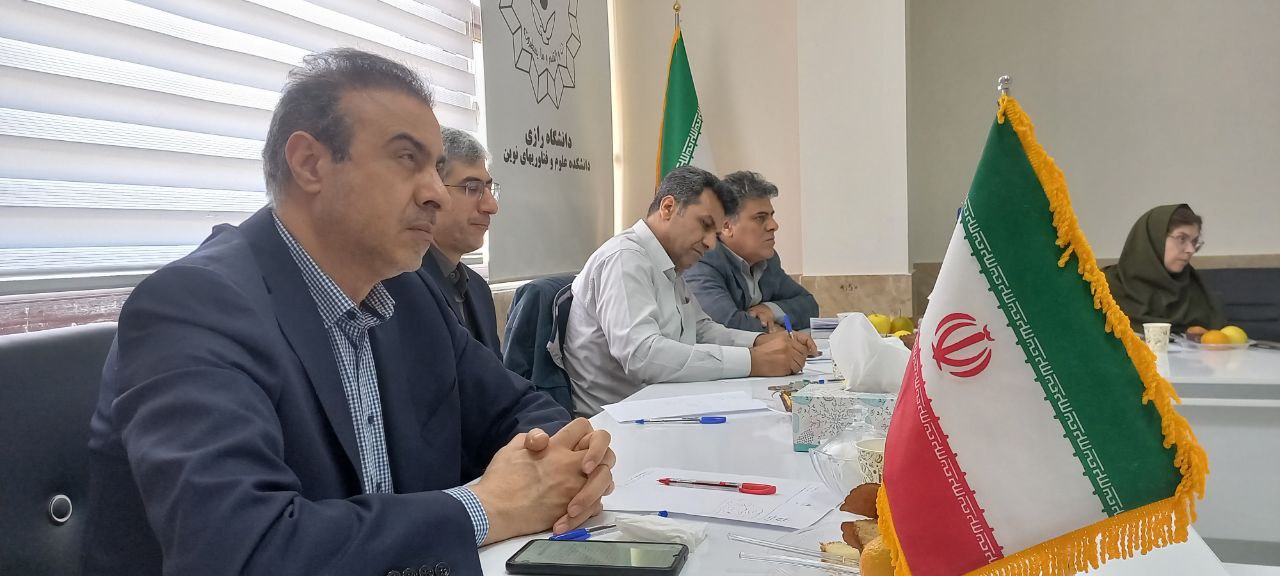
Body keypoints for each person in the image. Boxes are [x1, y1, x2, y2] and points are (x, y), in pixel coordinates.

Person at [82, 49, 614, 575]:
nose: (436, 194)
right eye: (406, 159)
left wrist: (572, 459)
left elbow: (518, 407)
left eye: (435, 168)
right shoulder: (194, 306)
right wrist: (485, 508)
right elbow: (240, 552)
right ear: (310, 163)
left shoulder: (409, 294)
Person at [563, 166, 816, 416]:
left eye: (715, 233)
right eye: (705, 225)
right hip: (617, 423)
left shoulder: (668, 264)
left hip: (660, 408)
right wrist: (753, 361)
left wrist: (761, 341)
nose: (711, 243)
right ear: (668, 208)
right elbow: (641, 356)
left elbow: (702, 330)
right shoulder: (625, 258)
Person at [684, 170, 818, 332]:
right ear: (726, 226)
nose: (774, 225)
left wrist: (771, 310)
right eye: (760, 218)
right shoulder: (702, 260)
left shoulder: (767, 260)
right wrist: (776, 332)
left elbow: (809, 306)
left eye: (771, 216)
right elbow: (727, 325)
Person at [412, 126, 502, 356]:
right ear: (432, 192)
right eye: (472, 188)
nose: (491, 206)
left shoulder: (479, 289)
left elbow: (496, 376)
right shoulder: (399, 288)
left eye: (489, 188)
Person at [1104, 204, 1225, 332]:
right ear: (1155, 238)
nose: (1191, 250)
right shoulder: (1105, 289)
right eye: (1181, 238)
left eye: (1194, 242)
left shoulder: (1198, 293)